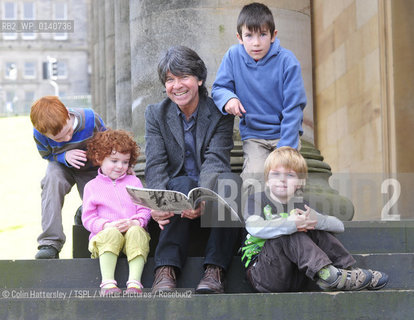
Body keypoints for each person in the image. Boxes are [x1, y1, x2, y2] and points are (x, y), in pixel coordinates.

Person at [145, 46, 241, 294]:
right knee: (182, 184)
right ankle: (164, 269)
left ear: (199, 79)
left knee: (231, 182)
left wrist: (203, 197)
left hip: (212, 201)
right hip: (176, 204)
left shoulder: (219, 113)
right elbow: (155, 163)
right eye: (169, 79)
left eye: (183, 77)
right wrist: (157, 201)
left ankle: (214, 271)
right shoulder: (156, 114)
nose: (177, 85)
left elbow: (216, 159)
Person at [241, 147, 389, 292]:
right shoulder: (257, 199)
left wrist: (317, 220)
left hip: (298, 275)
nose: (282, 180)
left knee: (313, 228)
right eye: (276, 174)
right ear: (267, 180)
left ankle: (346, 271)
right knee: (289, 233)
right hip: (264, 274)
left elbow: (339, 226)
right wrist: (292, 224)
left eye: (290, 175)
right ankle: (327, 274)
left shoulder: (300, 203)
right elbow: (254, 227)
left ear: (300, 182)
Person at [212, 2, 307, 186]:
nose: (256, 42)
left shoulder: (288, 62)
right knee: (253, 180)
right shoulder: (232, 56)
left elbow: (294, 107)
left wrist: (285, 148)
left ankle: (291, 214)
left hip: (284, 132)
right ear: (239, 37)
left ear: (273, 35)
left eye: (263, 34)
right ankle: (253, 215)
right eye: (249, 35)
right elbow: (219, 88)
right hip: (254, 136)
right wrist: (228, 98)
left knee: (287, 181)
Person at [30, 96, 106, 259]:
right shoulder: (39, 134)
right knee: (52, 179)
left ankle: (85, 214)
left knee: (98, 200)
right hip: (61, 166)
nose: (67, 139)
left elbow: (110, 145)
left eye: (68, 132)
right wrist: (64, 156)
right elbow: (47, 155)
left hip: (90, 168)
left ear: (67, 115)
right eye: (59, 139)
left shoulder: (90, 119)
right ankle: (50, 243)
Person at [82, 129, 151, 296]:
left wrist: (136, 222)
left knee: (137, 232)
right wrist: (106, 225)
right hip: (105, 237)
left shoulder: (134, 182)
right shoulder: (91, 186)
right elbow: (88, 218)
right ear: (99, 158)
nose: (120, 166)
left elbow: (144, 209)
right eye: (114, 161)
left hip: (131, 236)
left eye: (125, 162)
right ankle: (107, 283)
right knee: (111, 233)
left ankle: (134, 283)